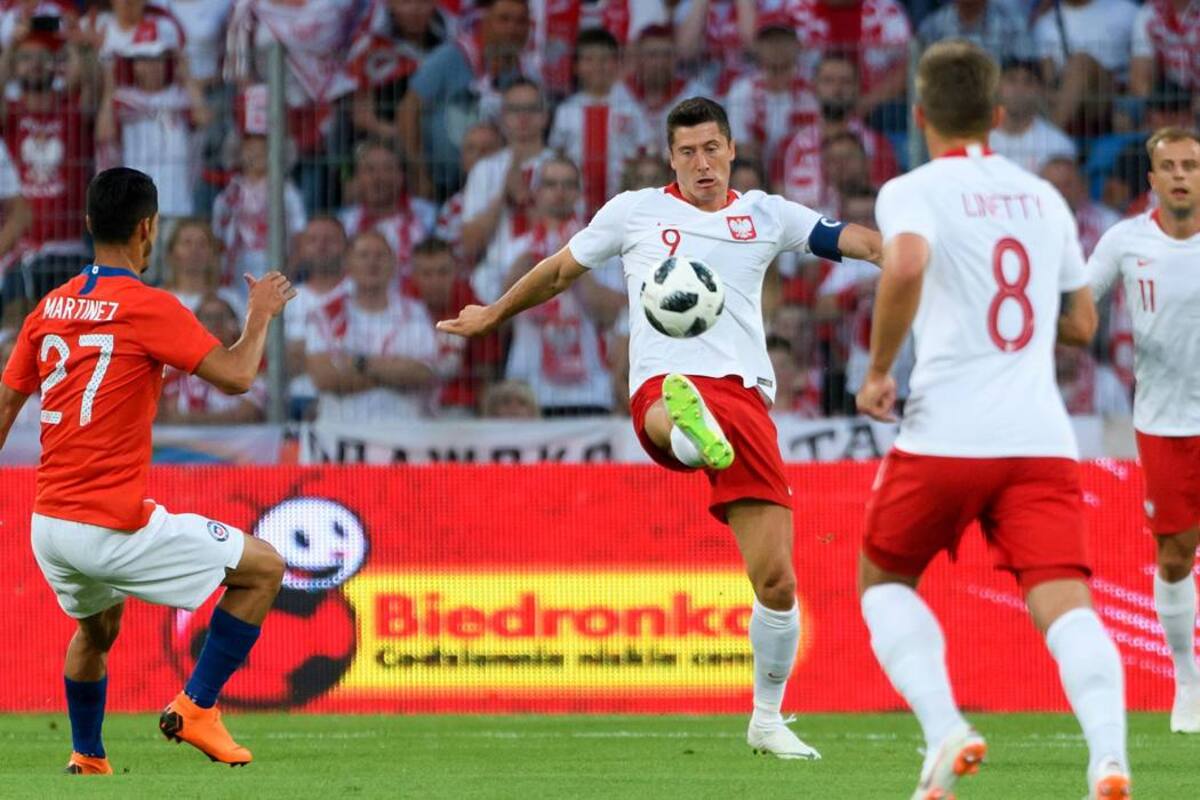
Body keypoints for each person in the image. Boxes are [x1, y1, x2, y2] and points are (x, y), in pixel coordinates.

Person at [439, 96, 883, 758]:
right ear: (669, 158)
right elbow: (560, 270)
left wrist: (900, 255)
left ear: (731, 149)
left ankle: (767, 718)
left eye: (711, 149)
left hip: (744, 402)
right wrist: (493, 314)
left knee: (778, 583)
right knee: (663, 409)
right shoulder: (634, 211)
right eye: (686, 152)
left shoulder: (764, 213)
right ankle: (685, 431)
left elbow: (849, 239)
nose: (701, 164)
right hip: (664, 382)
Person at [853, 41, 1129, 799]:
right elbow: (1079, 324)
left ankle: (946, 731)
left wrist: (878, 372)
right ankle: (1109, 758)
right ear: (999, 116)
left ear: (919, 115)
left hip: (945, 432)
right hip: (1039, 438)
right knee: (1065, 601)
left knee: (882, 577)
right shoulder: (1043, 197)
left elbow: (905, 265)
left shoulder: (912, 188)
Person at [0, 167, 293, 773]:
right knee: (264, 568)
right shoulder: (149, 307)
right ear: (147, 229)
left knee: (97, 629)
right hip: (109, 527)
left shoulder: (48, 308)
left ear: (87, 226)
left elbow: (6, 404)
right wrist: (260, 312)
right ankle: (198, 707)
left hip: (50, 527)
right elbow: (237, 377)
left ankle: (87, 755)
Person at [1087, 127, 1200, 735]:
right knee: (1177, 556)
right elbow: (1082, 301)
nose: (1182, 175)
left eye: (1192, 165)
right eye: (1170, 166)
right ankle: (1188, 682)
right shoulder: (1126, 241)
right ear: (1153, 181)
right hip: (1166, 423)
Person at [305, 230, 437, 422]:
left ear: (393, 264)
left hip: (404, 430)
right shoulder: (325, 313)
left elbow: (423, 374)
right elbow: (324, 379)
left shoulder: (415, 312)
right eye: (363, 255)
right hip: (342, 434)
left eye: (380, 256)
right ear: (348, 263)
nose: (372, 263)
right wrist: (395, 372)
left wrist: (360, 363)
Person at [548, 28, 653, 217]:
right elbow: (557, 155)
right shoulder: (566, 110)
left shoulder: (632, 108)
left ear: (616, 64)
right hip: (577, 208)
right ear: (576, 66)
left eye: (605, 59)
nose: (597, 66)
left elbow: (646, 151)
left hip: (623, 206)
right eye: (589, 60)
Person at [159, 294, 268, 424]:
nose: (216, 324)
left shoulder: (251, 364)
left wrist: (193, 420)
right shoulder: (177, 370)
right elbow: (169, 417)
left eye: (221, 317)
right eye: (208, 318)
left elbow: (247, 414)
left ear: (234, 325)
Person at [988, 59, 1077, 175]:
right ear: (997, 87)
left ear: (1041, 91)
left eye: (1028, 82)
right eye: (1011, 80)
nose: (1019, 89)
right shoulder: (974, 138)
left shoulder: (1059, 145)